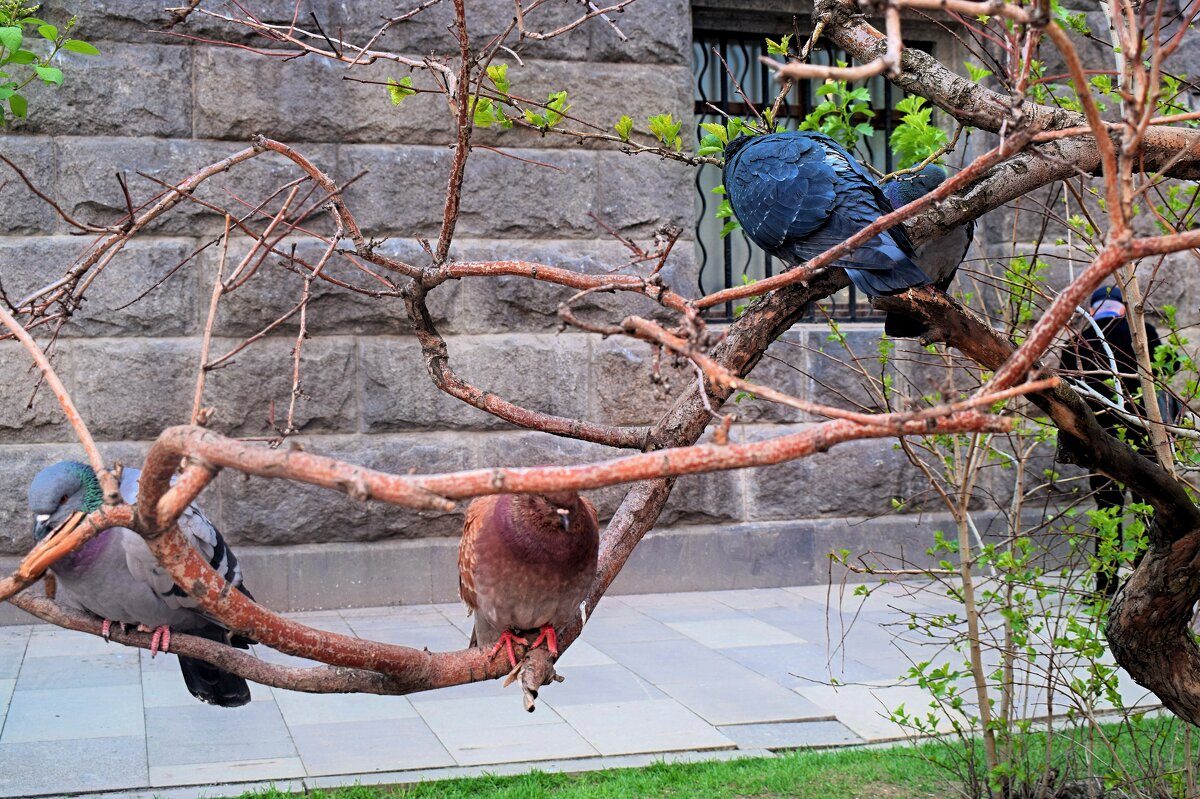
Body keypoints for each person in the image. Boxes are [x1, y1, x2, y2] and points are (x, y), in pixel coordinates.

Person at [1058, 285, 1166, 596]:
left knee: (1107, 511)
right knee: (1146, 507)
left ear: (1092, 310)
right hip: (1143, 435)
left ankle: (1104, 588)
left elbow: (1065, 392)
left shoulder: (1076, 343)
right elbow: (1169, 366)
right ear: (1122, 308)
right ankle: (1143, 583)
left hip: (1099, 440)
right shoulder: (1141, 333)